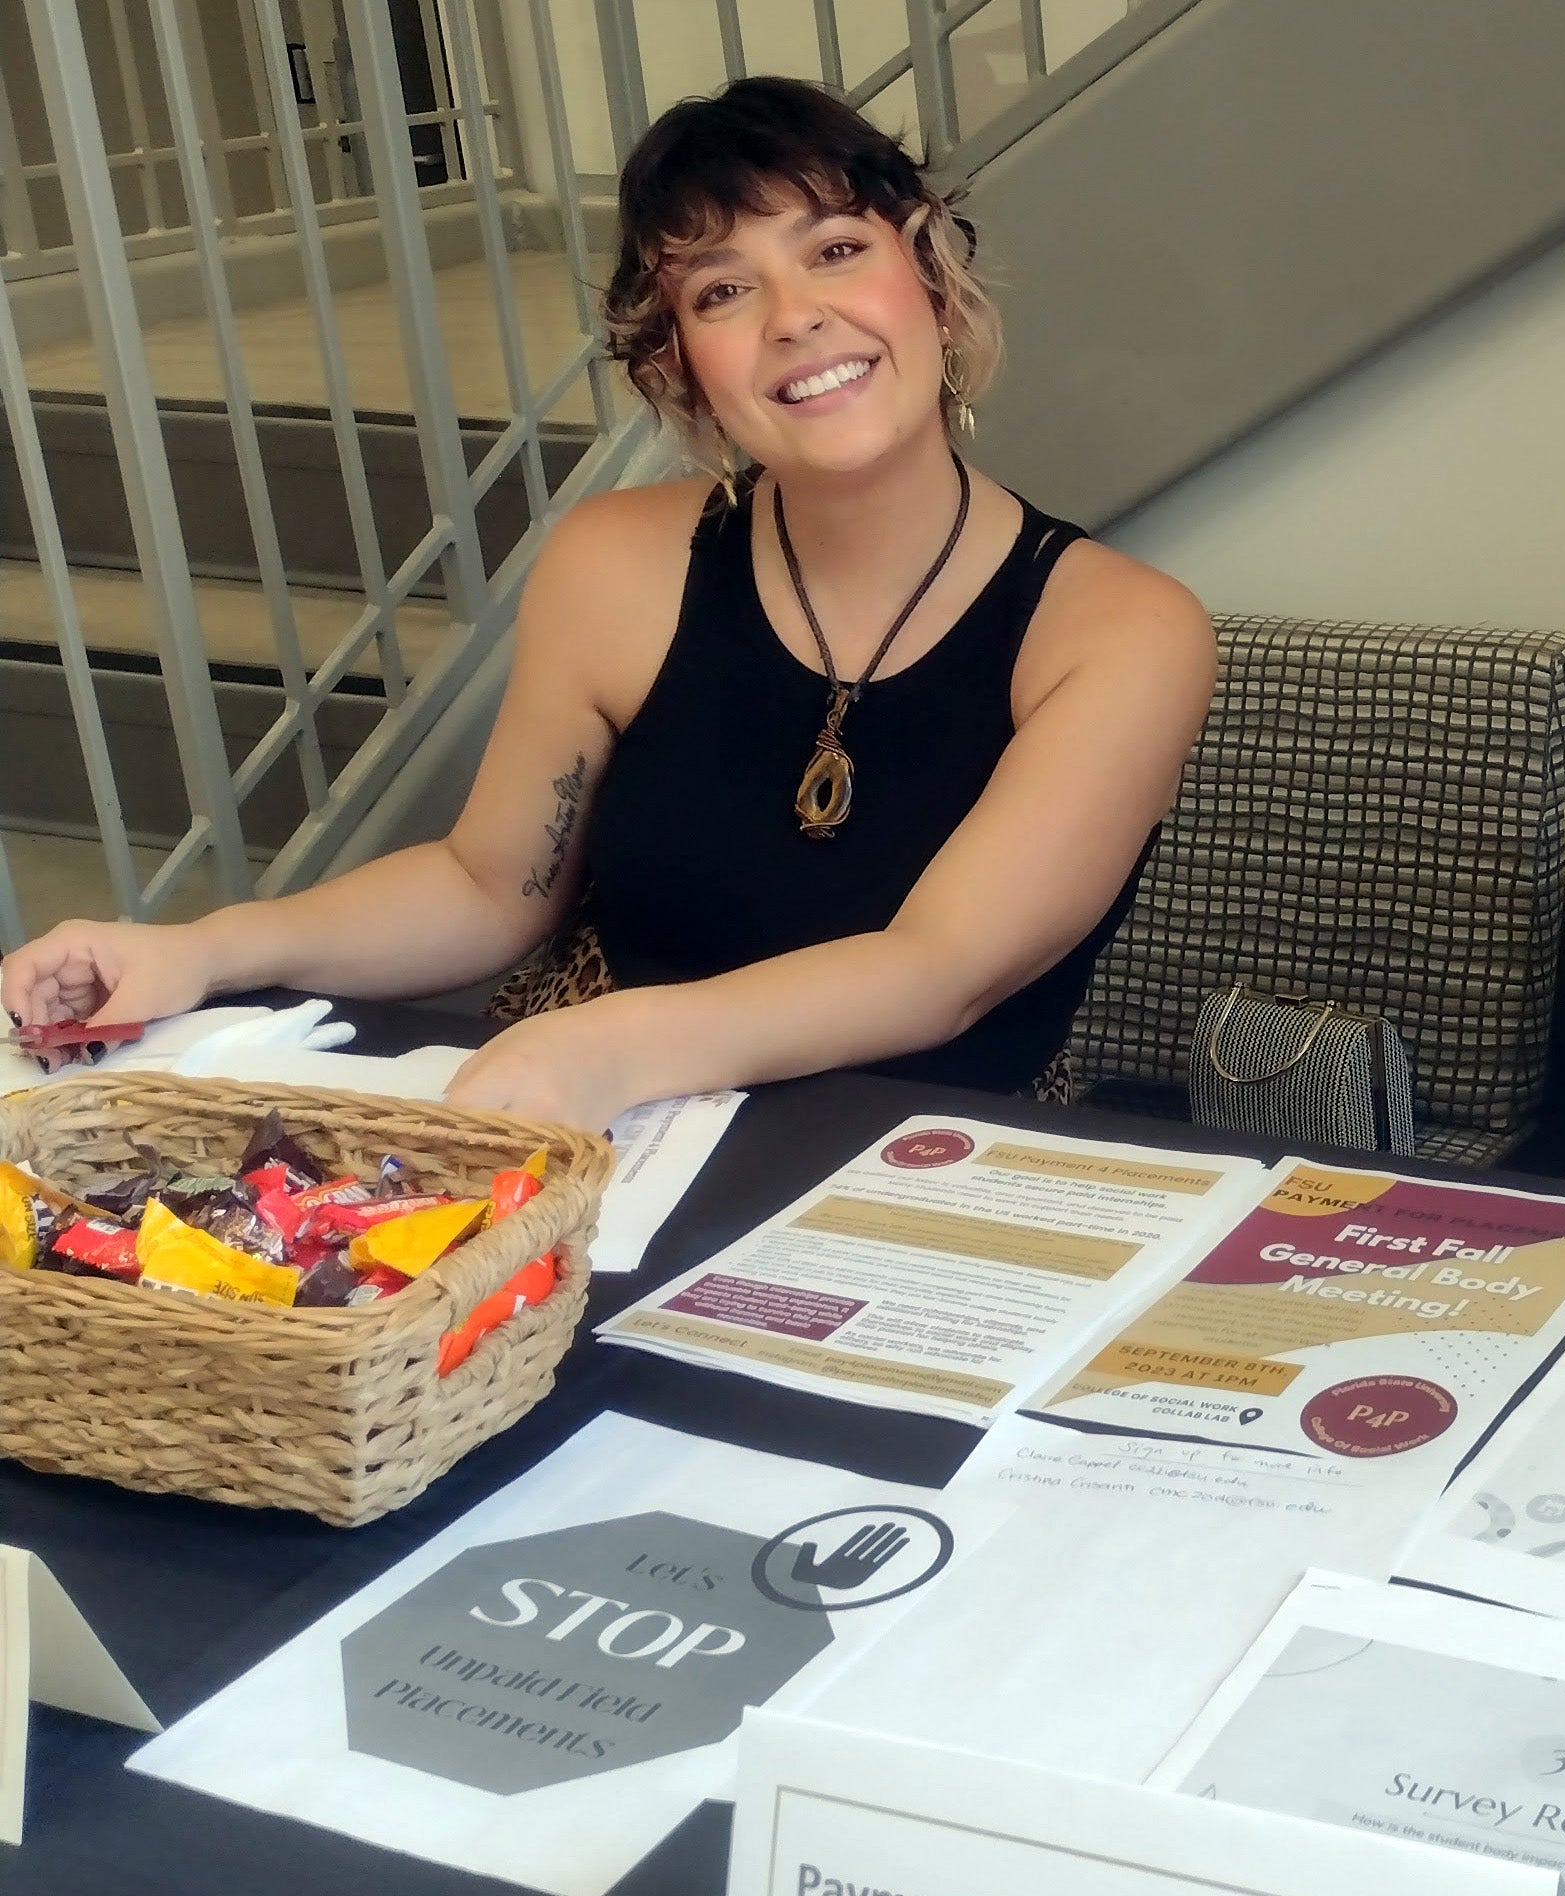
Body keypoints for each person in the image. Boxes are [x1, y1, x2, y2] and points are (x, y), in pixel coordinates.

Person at [1, 79, 1211, 1129]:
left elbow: (936, 972)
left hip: (919, 1167)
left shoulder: (1120, 632)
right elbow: (490, 887)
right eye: (722, 292)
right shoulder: (617, 561)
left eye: (837, 249)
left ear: (932, 283)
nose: (796, 317)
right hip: (611, 1134)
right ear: (679, 363)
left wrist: (613, 1049)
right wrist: (198, 951)